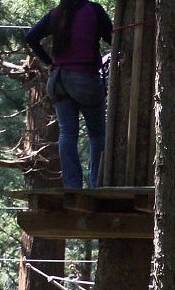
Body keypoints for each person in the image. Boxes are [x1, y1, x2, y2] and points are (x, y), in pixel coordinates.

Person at [26, 0, 112, 189]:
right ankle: (97, 184)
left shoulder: (58, 13)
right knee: (97, 134)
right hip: (85, 79)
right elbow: (114, 38)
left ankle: (72, 186)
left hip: (58, 80)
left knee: (67, 132)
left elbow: (31, 36)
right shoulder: (94, 10)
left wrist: (50, 62)